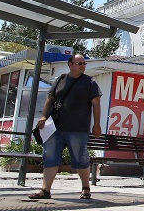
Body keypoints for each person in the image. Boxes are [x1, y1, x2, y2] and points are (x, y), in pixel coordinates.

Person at [29, 53, 102, 200]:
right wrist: (43, 116)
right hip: (55, 127)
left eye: (84, 63)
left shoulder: (90, 82)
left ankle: (85, 188)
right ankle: (45, 190)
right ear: (70, 64)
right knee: (50, 156)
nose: (82, 66)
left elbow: (96, 104)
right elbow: (50, 99)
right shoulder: (61, 79)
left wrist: (97, 125)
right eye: (79, 63)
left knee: (80, 159)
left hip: (78, 128)